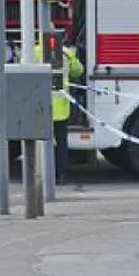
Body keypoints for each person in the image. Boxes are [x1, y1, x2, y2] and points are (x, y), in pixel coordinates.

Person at [39, 40, 84, 184]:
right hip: (61, 108)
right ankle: (62, 174)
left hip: (40, 107)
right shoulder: (66, 52)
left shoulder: (33, 51)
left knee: (42, 142)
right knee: (61, 142)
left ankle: (44, 172)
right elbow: (78, 71)